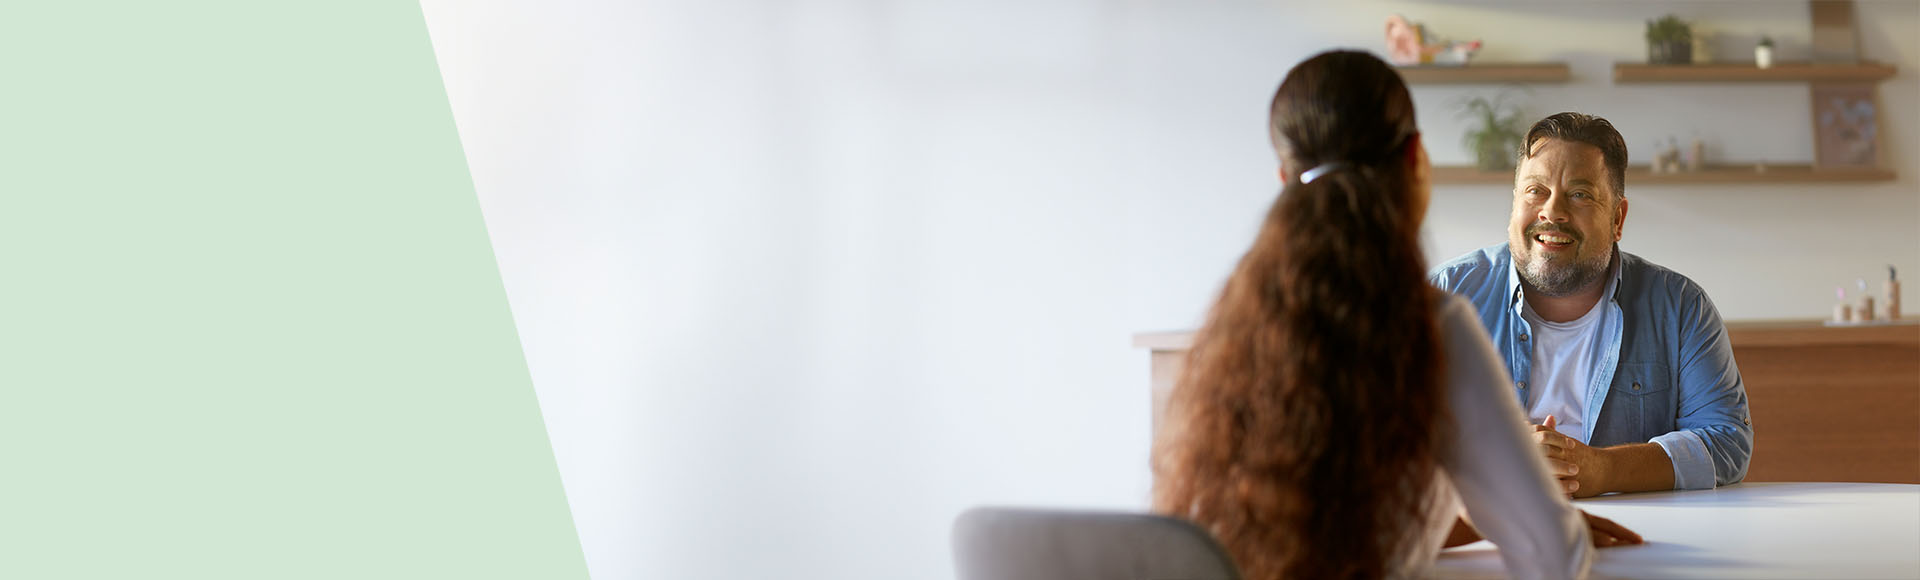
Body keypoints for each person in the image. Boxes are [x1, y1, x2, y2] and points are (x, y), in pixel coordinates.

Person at [1151, 51, 1637, 580]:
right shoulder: (1431, 323)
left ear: (1284, 177)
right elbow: (1554, 559)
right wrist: (1504, 510)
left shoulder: (1230, 325)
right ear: (1415, 160)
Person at [1431, 113, 1754, 498]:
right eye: (1535, 191)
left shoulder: (1680, 306)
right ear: (1513, 204)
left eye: (1580, 194)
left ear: (1617, 218)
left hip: (1646, 538)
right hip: (1481, 530)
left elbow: (1727, 442)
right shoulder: (1445, 295)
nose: (1553, 212)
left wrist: (1603, 470)